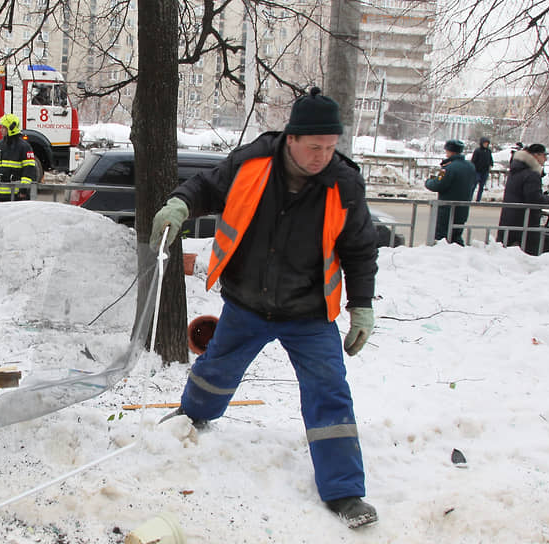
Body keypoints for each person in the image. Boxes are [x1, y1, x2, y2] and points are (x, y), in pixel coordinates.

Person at [150, 88, 380, 529]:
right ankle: (193, 414)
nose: (322, 156)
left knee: (329, 391)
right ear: (292, 138)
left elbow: (360, 248)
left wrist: (362, 306)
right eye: (315, 147)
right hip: (248, 300)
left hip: (310, 311)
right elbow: (206, 186)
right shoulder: (253, 162)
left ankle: (345, 491)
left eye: (331, 148)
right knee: (216, 368)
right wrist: (180, 204)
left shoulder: (343, 183)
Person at [497, 143, 549, 255]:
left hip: (509, 220)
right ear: (536, 156)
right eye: (543, 155)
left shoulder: (516, 170)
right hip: (525, 223)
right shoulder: (532, 174)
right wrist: (548, 198)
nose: (545, 159)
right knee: (527, 258)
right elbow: (534, 199)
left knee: (504, 255)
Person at [425, 139, 476, 245]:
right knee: (456, 236)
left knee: (442, 239)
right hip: (463, 208)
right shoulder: (470, 167)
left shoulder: (448, 168)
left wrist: (428, 181)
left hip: (446, 209)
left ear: (449, 151)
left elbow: (437, 185)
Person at [0, 113, 36, 202]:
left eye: (3, 127)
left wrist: (23, 189)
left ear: (11, 128)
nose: (0, 130)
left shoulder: (24, 147)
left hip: (16, 195)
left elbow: (29, 170)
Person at [470, 137, 493, 202]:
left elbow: (490, 159)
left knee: (481, 186)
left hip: (485, 171)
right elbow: (473, 160)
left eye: (487, 143)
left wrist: (491, 164)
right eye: (485, 143)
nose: (486, 145)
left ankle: (478, 199)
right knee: (474, 185)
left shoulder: (488, 151)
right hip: (477, 171)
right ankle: (470, 198)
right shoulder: (477, 151)